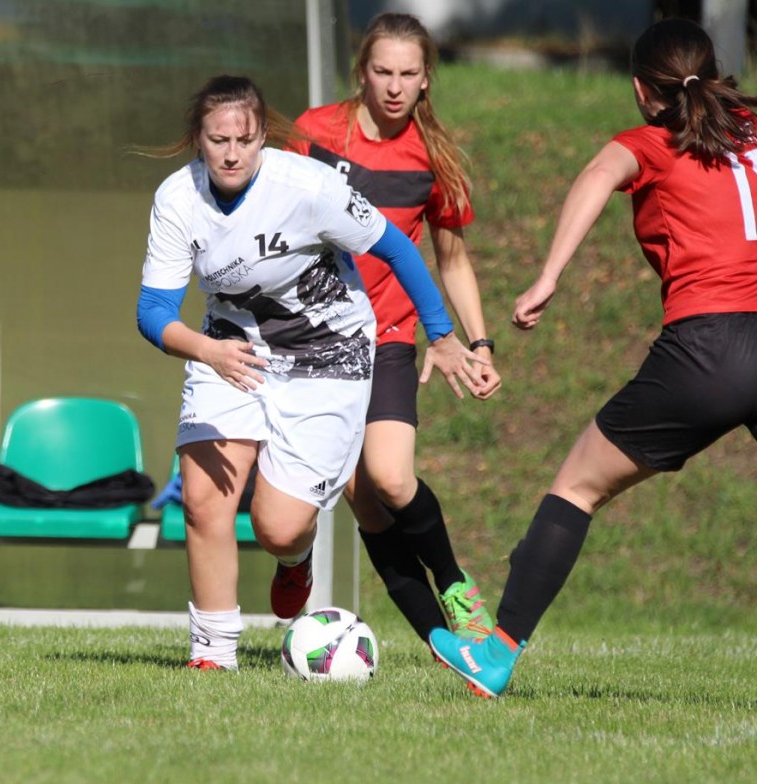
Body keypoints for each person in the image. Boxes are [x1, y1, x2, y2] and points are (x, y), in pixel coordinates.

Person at [430, 17, 757, 698]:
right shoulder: (751, 126)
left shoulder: (651, 142)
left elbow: (597, 174)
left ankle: (495, 654)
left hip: (709, 348)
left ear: (640, 91)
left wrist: (548, 276)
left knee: (578, 486)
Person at [135, 74, 488, 670]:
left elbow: (397, 249)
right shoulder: (178, 198)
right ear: (198, 139)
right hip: (230, 349)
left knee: (277, 528)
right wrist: (206, 351)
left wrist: (445, 335)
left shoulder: (308, 186)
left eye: (244, 140)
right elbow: (153, 312)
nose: (231, 153)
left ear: (262, 137)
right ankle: (213, 654)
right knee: (202, 499)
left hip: (328, 356)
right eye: (218, 140)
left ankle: (294, 559)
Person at [286, 12, 501, 648]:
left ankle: (456, 586)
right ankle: (446, 645)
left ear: (427, 77)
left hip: (387, 339)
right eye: (383, 71)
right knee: (367, 504)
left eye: (409, 73)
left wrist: (479, 343)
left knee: (390, 477)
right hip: (312, 343)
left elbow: (452, 259)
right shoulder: (314, 133)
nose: (395, 87)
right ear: (362, 71)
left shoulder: (433, 156)